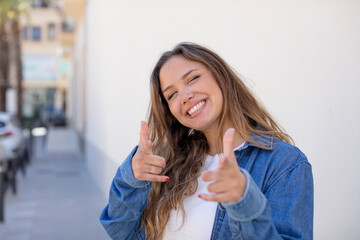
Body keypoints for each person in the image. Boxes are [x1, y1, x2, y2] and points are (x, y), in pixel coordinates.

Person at [99, 43, 314, 240]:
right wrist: (131, 178)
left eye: (192, 79)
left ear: (220, 76)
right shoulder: (169, 161)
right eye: (171, 94)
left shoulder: (284, 163)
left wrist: (245, 203)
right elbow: (120, 231)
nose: (184, 96)